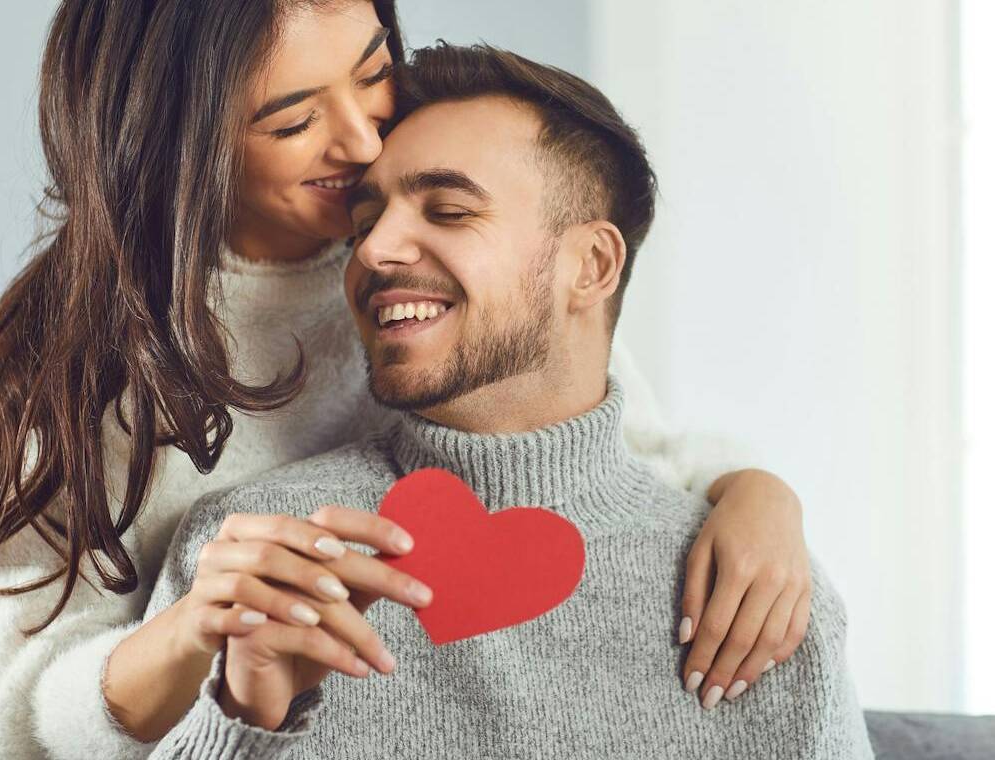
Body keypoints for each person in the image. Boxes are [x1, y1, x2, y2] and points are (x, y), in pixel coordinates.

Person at [0, 2, 804, 759]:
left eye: (372, 72)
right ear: (178, 140)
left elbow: (610, 450)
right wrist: (199, 629)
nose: (362, 141)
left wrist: (758, 496)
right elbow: (17, 720)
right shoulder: (78, 374)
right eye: (293, 120)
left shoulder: (454, 278)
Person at [141, 42, 873, 759]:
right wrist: (243, 723)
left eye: (449, 211)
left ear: (592, 265)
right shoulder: (254, 557)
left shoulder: (760, 591)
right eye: (365, 223)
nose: (372, 250)